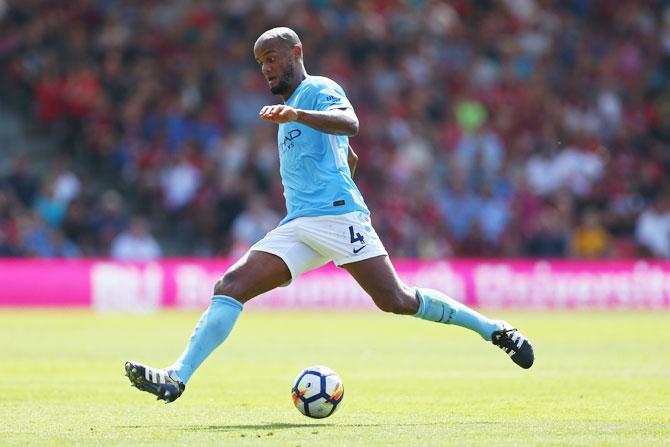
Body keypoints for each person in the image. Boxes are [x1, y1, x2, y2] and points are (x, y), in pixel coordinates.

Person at [125, 27, 534, 403]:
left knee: (396, 300)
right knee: (230, 285)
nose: (266, 68)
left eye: (271, 57)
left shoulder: (317, 89)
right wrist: (329, 156)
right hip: (299, 225)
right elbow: (348, 155)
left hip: (339, 220)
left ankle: (494, 329)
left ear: (295, 52)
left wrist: (298, 117)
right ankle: (176, 376)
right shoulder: (286, 112)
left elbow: (350, 124)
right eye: (260, 62)